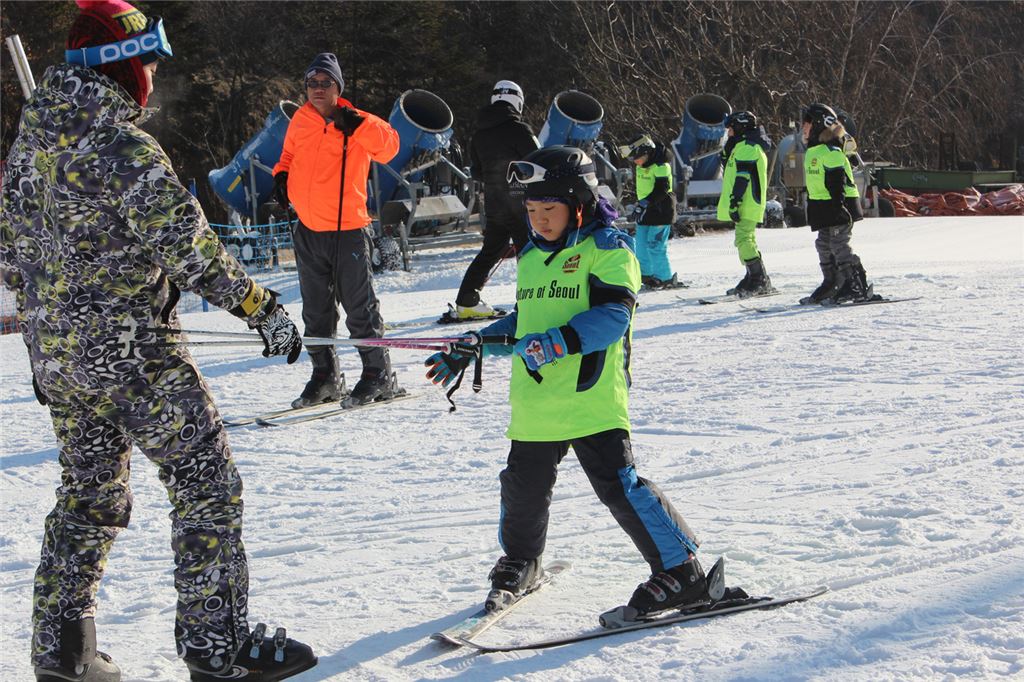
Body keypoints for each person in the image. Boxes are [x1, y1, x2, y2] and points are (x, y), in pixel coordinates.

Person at [0, 2, 316, 680]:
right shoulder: (121, 146)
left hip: (63, 362)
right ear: (117, 64)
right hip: (138, 358)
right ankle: (216, 644)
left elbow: (12, 256)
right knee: (205, 482)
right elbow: (190, 249)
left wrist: (43, 347)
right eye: (144, 58)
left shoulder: (29, 147)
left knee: (88, 495)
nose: (150, 72)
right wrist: (261, 307)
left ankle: (63, 650)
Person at [424, 146, 717, 622]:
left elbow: (614, 317)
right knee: (523, 487)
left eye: (549, 209)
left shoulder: (606, 248)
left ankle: (683, 570)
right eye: (532, 210)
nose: (539, 219)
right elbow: (525, 323)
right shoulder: (534, 256)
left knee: (619, 486)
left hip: (590, 397)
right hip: (537, 399)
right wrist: (476, 343)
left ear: (578, 202)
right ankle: (522, 560)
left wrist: (558, 342)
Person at [272, 53, 400, 407]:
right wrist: (280, 176)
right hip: (309, 229)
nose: (316, 89)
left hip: (348, 230)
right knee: (315, 312)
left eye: (324, 82)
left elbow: (390, 147)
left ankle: (377, 375)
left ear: (337, 87)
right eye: (311, 83)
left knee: (360, 309)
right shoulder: (300, 119)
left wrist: (356, 124)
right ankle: (324, 376)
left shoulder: (357, 121)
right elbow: (287, 156)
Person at [447, 80, 539, 321]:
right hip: (521, 201)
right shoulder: (519, 129)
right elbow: (538, 162)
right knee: (529, 251)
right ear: (517, 101)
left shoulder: (479, 133)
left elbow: (476, 170)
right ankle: (532, 302)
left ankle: (467, 300)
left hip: (495, 202)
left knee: (492, 250)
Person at [799, 103, 877, 304]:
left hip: (839, 206)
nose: (803, 129)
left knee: (839, 244)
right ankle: (833, 282)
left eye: (806, 125)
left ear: (817, 126)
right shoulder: (813, 151)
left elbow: (836, 183)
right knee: (823, 244)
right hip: (823, 207)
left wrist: (838, 207)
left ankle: (856, 285)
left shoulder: (831, 151)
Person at [716, 111, 775, 297]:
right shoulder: (741, 146)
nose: (729, 133)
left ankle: (758, 279)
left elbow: (743, 177)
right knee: (745, 239)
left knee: (744, 239)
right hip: (746, 203)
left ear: (741, 127)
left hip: (747, 203)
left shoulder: (748, 147)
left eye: (731, 129)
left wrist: (735, 202)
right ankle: (753, 276)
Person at [619, 134, 680, 289]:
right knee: (640, 244)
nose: (635, 161)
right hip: (646, 210)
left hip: (661, 210)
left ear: (646, 152)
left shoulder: (661, 166)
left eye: (637, 157)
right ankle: (646, 275)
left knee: (655, 244)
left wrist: (644, 203)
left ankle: (665, 278)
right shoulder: (642, 165)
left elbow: (662, 189)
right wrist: (641, 205)